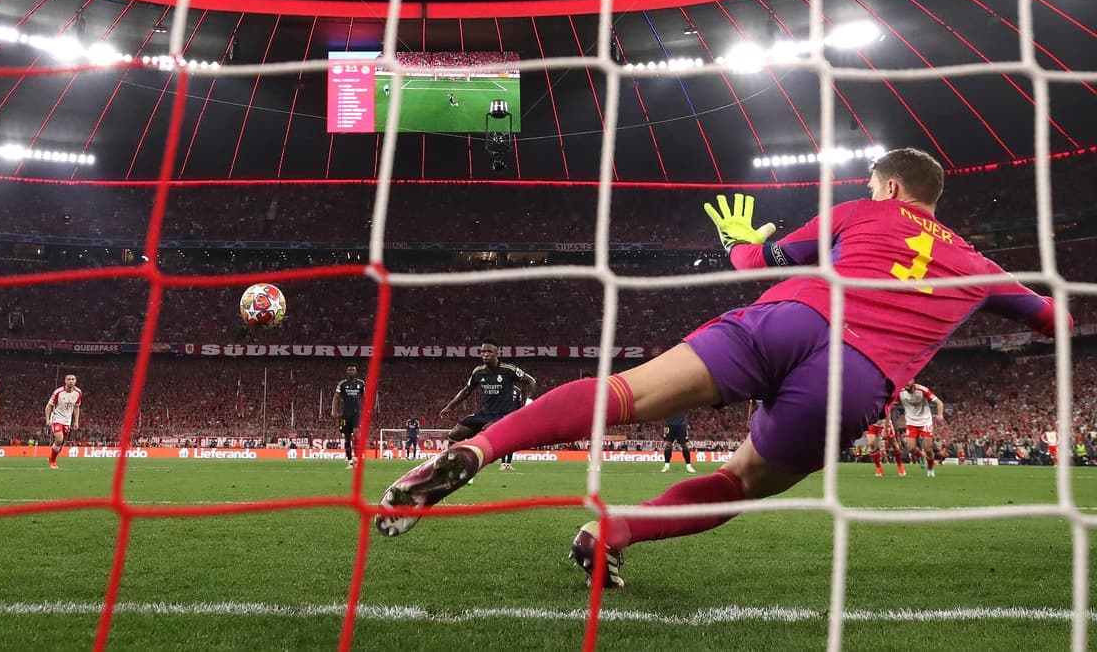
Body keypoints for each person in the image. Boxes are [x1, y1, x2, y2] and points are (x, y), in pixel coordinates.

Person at [375, 147, 1068, 589]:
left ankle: (478, 447)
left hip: (790, 316)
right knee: (735, 481)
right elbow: (1054, 322)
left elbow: (751, 263)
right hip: (855, 376)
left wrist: (743, 240)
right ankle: (613, 529)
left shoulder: (861, 210)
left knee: (624, 392)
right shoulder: (981, 267)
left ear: (887, 186)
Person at [436, 341, 536, 472]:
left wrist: (528, 404)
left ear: (497, 354)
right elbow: (467, 390)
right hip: (483, 414)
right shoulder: (478, 372)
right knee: (454, 435)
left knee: (486, 433)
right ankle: (454, 466)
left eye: (489, 352)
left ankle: (475, 463)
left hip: (502, 416)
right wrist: (450, 406)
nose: (485, 354)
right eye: (483, 352)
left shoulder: (508, 370)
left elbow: (531, 381)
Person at [898, 380, 944, 477]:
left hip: (925, 421)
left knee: (928, 449)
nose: (906, 382)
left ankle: (930, 469)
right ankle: (921, 456)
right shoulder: (899, 392)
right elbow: (889, 403)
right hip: (911, 422)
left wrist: (940, 415)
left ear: (913, 381)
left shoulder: (922, 390)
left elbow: (939, 402)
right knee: (910, 449)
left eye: (909, 380)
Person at [331, 365, 366, 469]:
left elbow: (365, 397)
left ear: (356, 372)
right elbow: (336, 398)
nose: (351, 371)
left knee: (356, 434)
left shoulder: (361, 383)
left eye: (353, 370)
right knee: (346, 437)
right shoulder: (342, 384)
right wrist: (334, 411)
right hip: (345, 414)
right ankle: (350, 462)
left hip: (356, 414)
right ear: (347, 372)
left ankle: (358, 458)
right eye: (350, 370)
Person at [44, 373, 82, 470]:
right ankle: (52, 460)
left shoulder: (78, 393)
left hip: (67, 420)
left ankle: (52, 457)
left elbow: (77, 407)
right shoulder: (58, 392)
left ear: (75, 381)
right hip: (57, 418)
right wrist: (48, 419)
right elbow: (49, 406)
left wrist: (76, 421)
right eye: (68, 379)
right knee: (59, 439)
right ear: (65, 381)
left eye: (73, 379)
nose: (71, 381)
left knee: (61, 443)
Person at [865, 404, 906, 477]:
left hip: (884, 423)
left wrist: (886, 429)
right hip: (872, 424)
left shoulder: (881, 399)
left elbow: (888, 414)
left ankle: (900, 465)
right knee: (871, 444)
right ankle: (879, 468)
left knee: (894, 445)